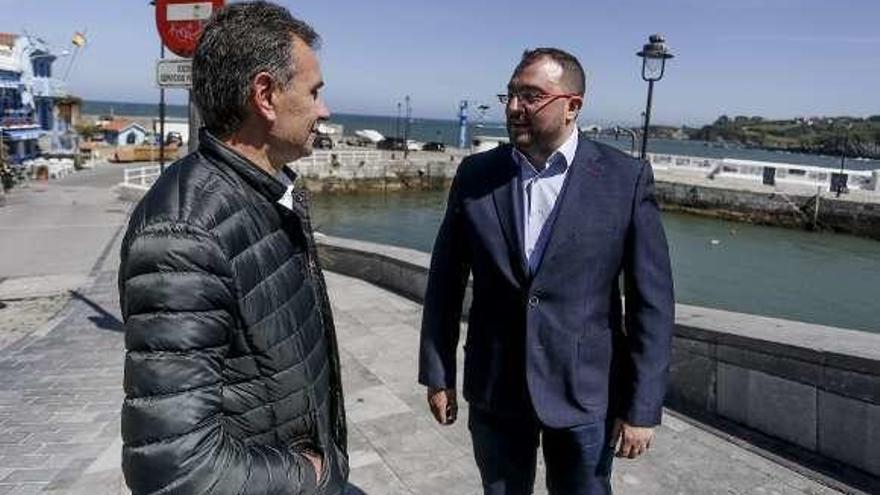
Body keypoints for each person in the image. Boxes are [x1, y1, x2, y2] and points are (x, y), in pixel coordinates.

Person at [419, 47, 674, 495]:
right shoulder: (476, 174)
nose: (515, 107)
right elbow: (445, 282)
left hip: (586, 394)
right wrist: (438, 373)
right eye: (512, 94)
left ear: (573, 105)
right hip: (496, 389)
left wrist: (642, 406)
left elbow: (651, 304)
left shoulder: (625, 179)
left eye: (532, 96)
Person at [118, 2, 347, 494]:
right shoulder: (183, 235)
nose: (324, 110)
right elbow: (175, 468)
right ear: (265, 94)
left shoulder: (264, 193)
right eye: (314, 92)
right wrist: (312, 475)